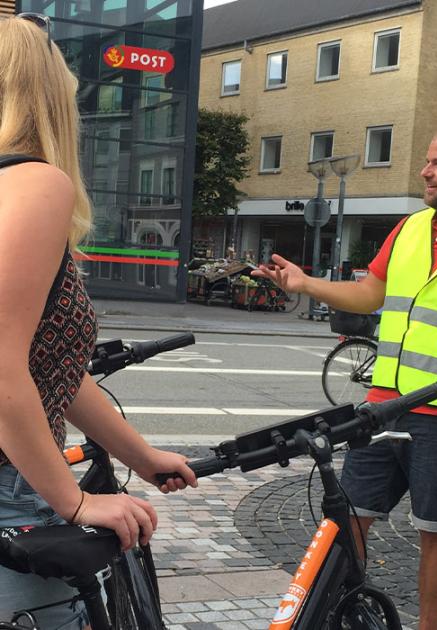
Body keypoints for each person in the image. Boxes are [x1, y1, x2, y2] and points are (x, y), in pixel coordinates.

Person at [254, 120, 437, 629]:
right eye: (427, 161)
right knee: (349, 520)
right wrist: (305, 283)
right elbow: (369, 295)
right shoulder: (409, 228)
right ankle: (345, 613)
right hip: (382, 407)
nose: (425, 172)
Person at [0, 15, 197, 628]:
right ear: (48, 93)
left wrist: (137, 453)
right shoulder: (31, 182)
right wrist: (75, 498)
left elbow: (44, 363)